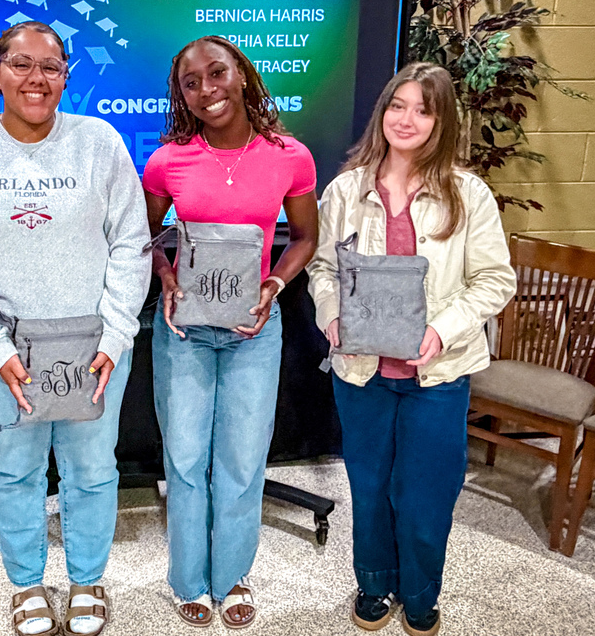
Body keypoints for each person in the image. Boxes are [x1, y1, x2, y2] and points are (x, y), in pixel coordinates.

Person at [0, 21, 150, 636]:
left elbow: (131, 244)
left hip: (94, 347)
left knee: (91, 469)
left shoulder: (99, 142)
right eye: (21, 64)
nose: (36, 78)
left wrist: (114, 335)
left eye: (51, 66)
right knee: (14, 466)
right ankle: (25, 584)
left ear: (66, 76)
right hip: (3, 350)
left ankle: (86, 579)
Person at [307, 62, 516, 636]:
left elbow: (495, 281)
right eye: (398, 105)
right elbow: (323, 269)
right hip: (360, 370)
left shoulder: (468, 194)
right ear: (382, 111)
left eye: (423, 109)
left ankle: (421, 594)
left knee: (425, 496)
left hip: (438, 376)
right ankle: (373, 583)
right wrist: (331, 313)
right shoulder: (346, 191)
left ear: (442, 120)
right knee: (369, 487)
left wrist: (442, 328)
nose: (407, 119)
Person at [143, 36, 319, 629]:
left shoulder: (290, 156)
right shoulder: (168, 160)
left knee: (242, 461)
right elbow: (144, 241)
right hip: (185, 332)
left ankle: (234, 573)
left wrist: (273, 285)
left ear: (241, 75)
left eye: (217, 74)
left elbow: (306, 238)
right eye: (191, 83)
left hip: (252, 331)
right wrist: (165, 274)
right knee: (187, 460)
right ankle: (189, 579)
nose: (206, 90)